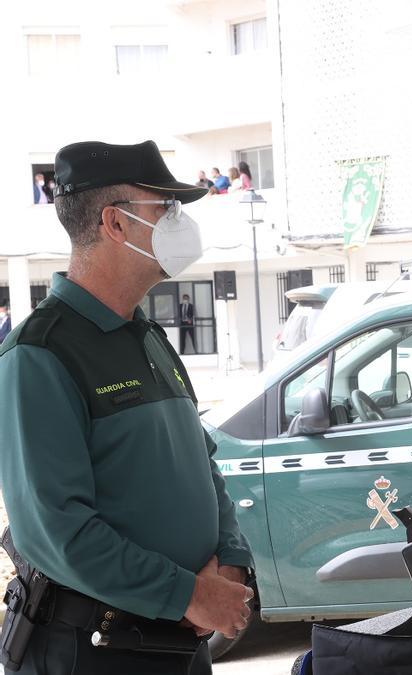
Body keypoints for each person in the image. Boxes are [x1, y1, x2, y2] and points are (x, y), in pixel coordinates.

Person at [0, 140, 254, 674]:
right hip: (93, 650)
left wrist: (229, 564)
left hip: (177, 643)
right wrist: (187, 594)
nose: (179, 222)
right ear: (115, 224)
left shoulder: (148, 336)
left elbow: (203, 464)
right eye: (165, 208)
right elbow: (58, 532)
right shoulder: (39, 353)